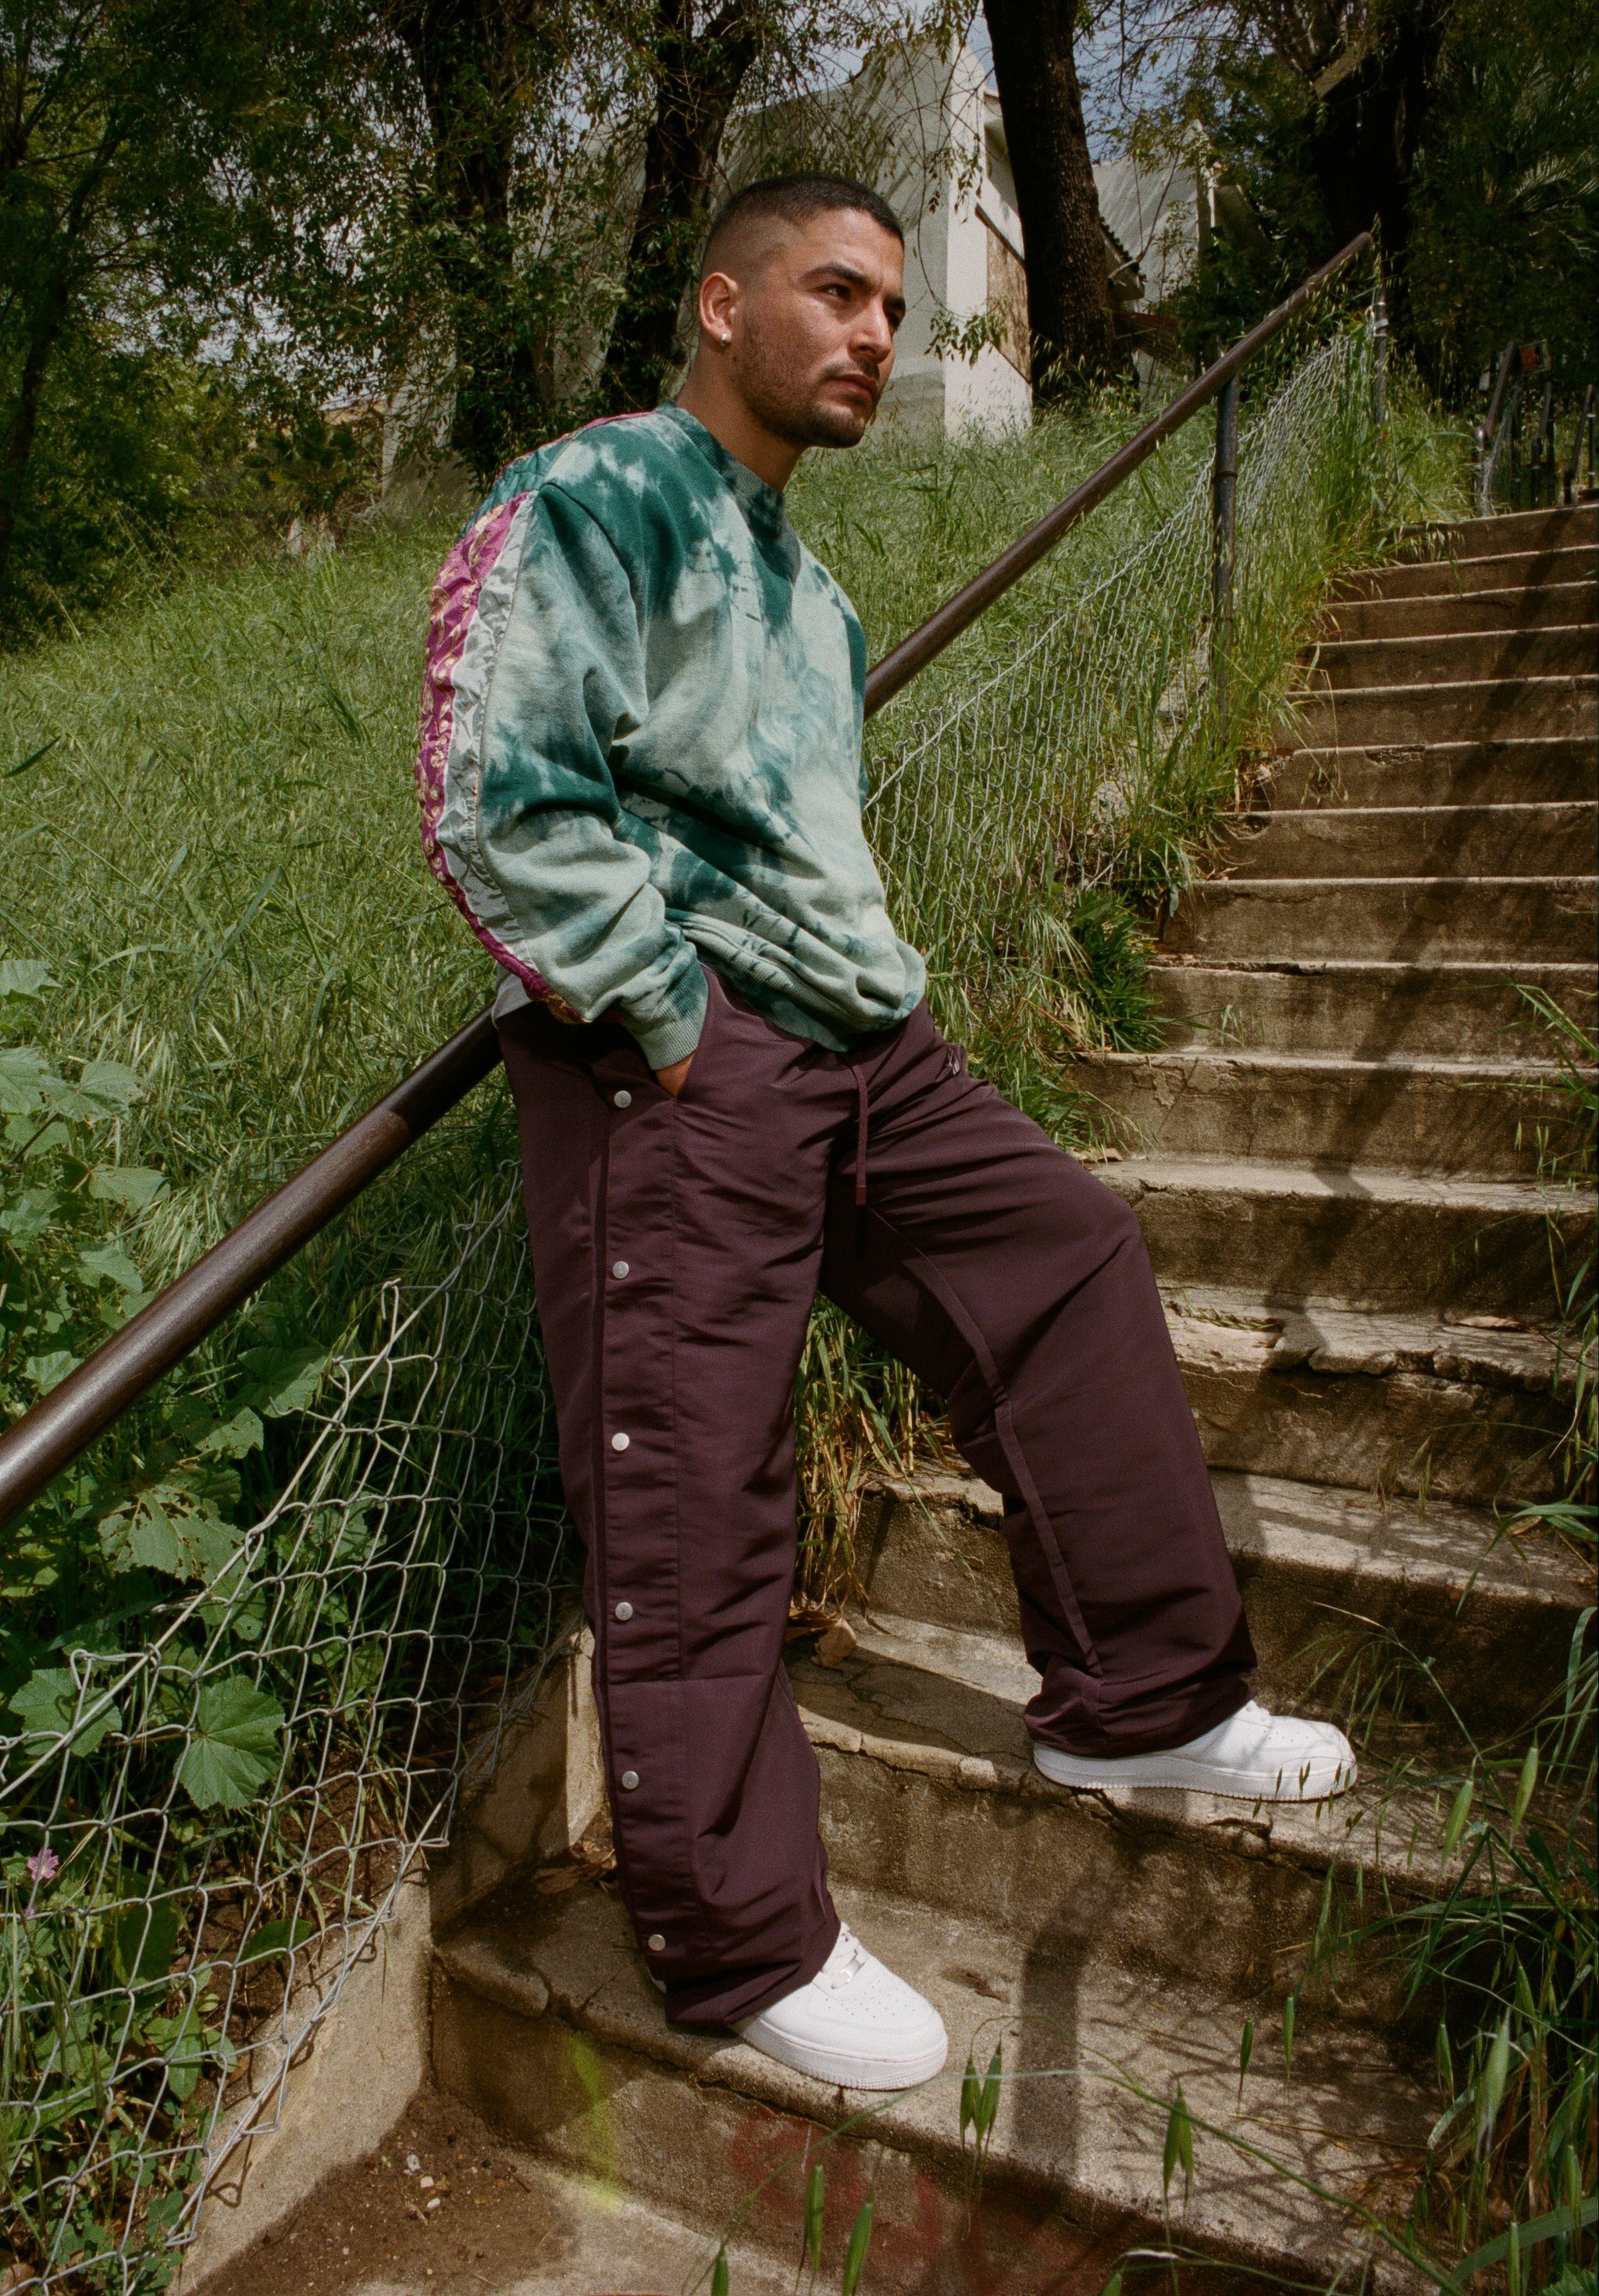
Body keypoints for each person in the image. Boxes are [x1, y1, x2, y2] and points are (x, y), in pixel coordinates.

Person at [418, 173, 1356, 2097]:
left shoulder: (811, 592)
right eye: (835, 294)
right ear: (717, 301)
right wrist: (665, 1019)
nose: (872, 336)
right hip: (682, 1067)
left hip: (867, 1051)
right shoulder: (593, 501)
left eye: (891, 313)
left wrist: (853, 1012)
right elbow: (489, 788)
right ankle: (739, 1936)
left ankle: (1141, 1700)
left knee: (1071, 1258)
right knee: (699, 1469)